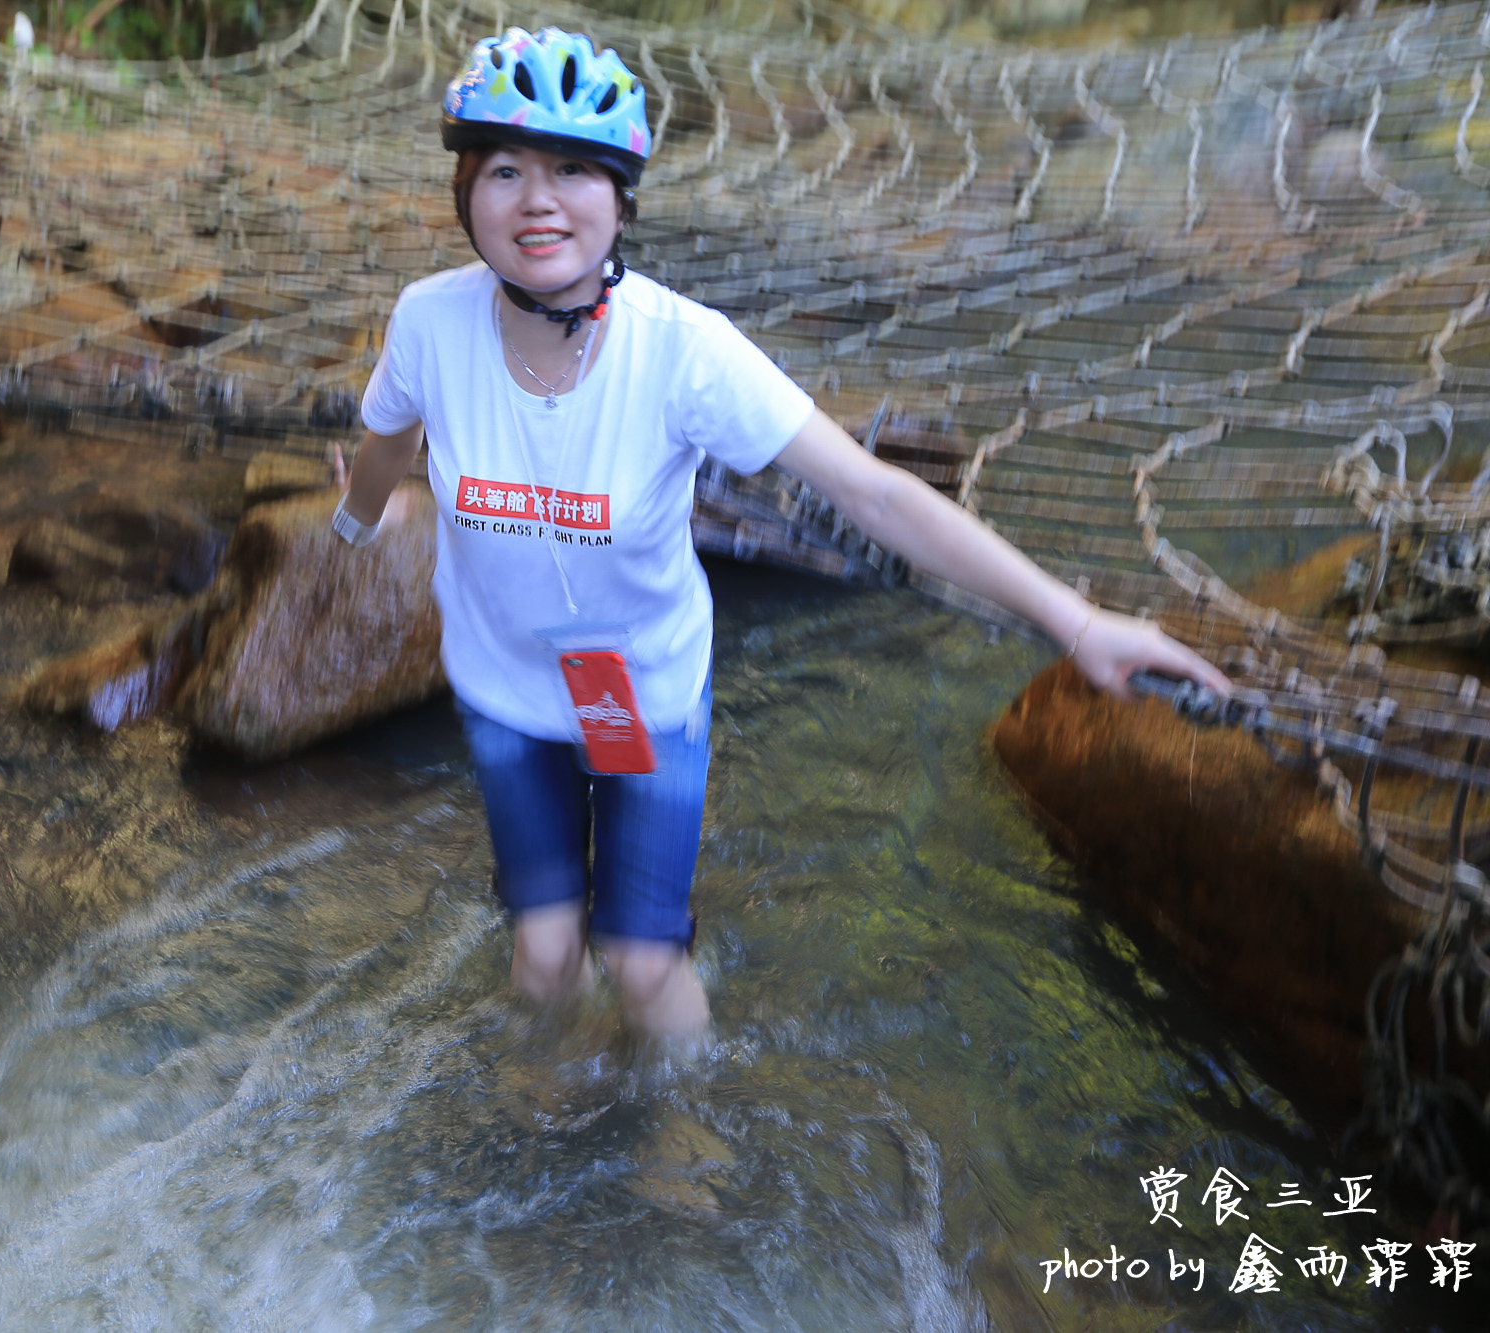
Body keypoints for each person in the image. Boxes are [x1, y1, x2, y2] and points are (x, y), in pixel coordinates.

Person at [334, 27, 1227, 1044]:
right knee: (541, 955)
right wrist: (357, 518)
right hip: (503, 691)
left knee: (640, 963)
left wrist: (1073, 623)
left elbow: (873, 495)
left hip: (639, 693)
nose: (537, 198)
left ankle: (682, 1142)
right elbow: (389, 433)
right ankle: (540, 1138)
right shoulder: (429, 321)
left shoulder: (684, 353)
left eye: (573, 169)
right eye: (504, 169)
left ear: (619, 197)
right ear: (466, 194)